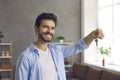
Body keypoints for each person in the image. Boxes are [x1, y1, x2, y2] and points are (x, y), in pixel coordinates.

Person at [15, 12, 104, 80]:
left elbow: (78, 47)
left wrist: (92, 36)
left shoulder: (57, 51)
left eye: (52, 28)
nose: (49, 31)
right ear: (36, 29)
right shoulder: (25, 57)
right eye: (45, 27)